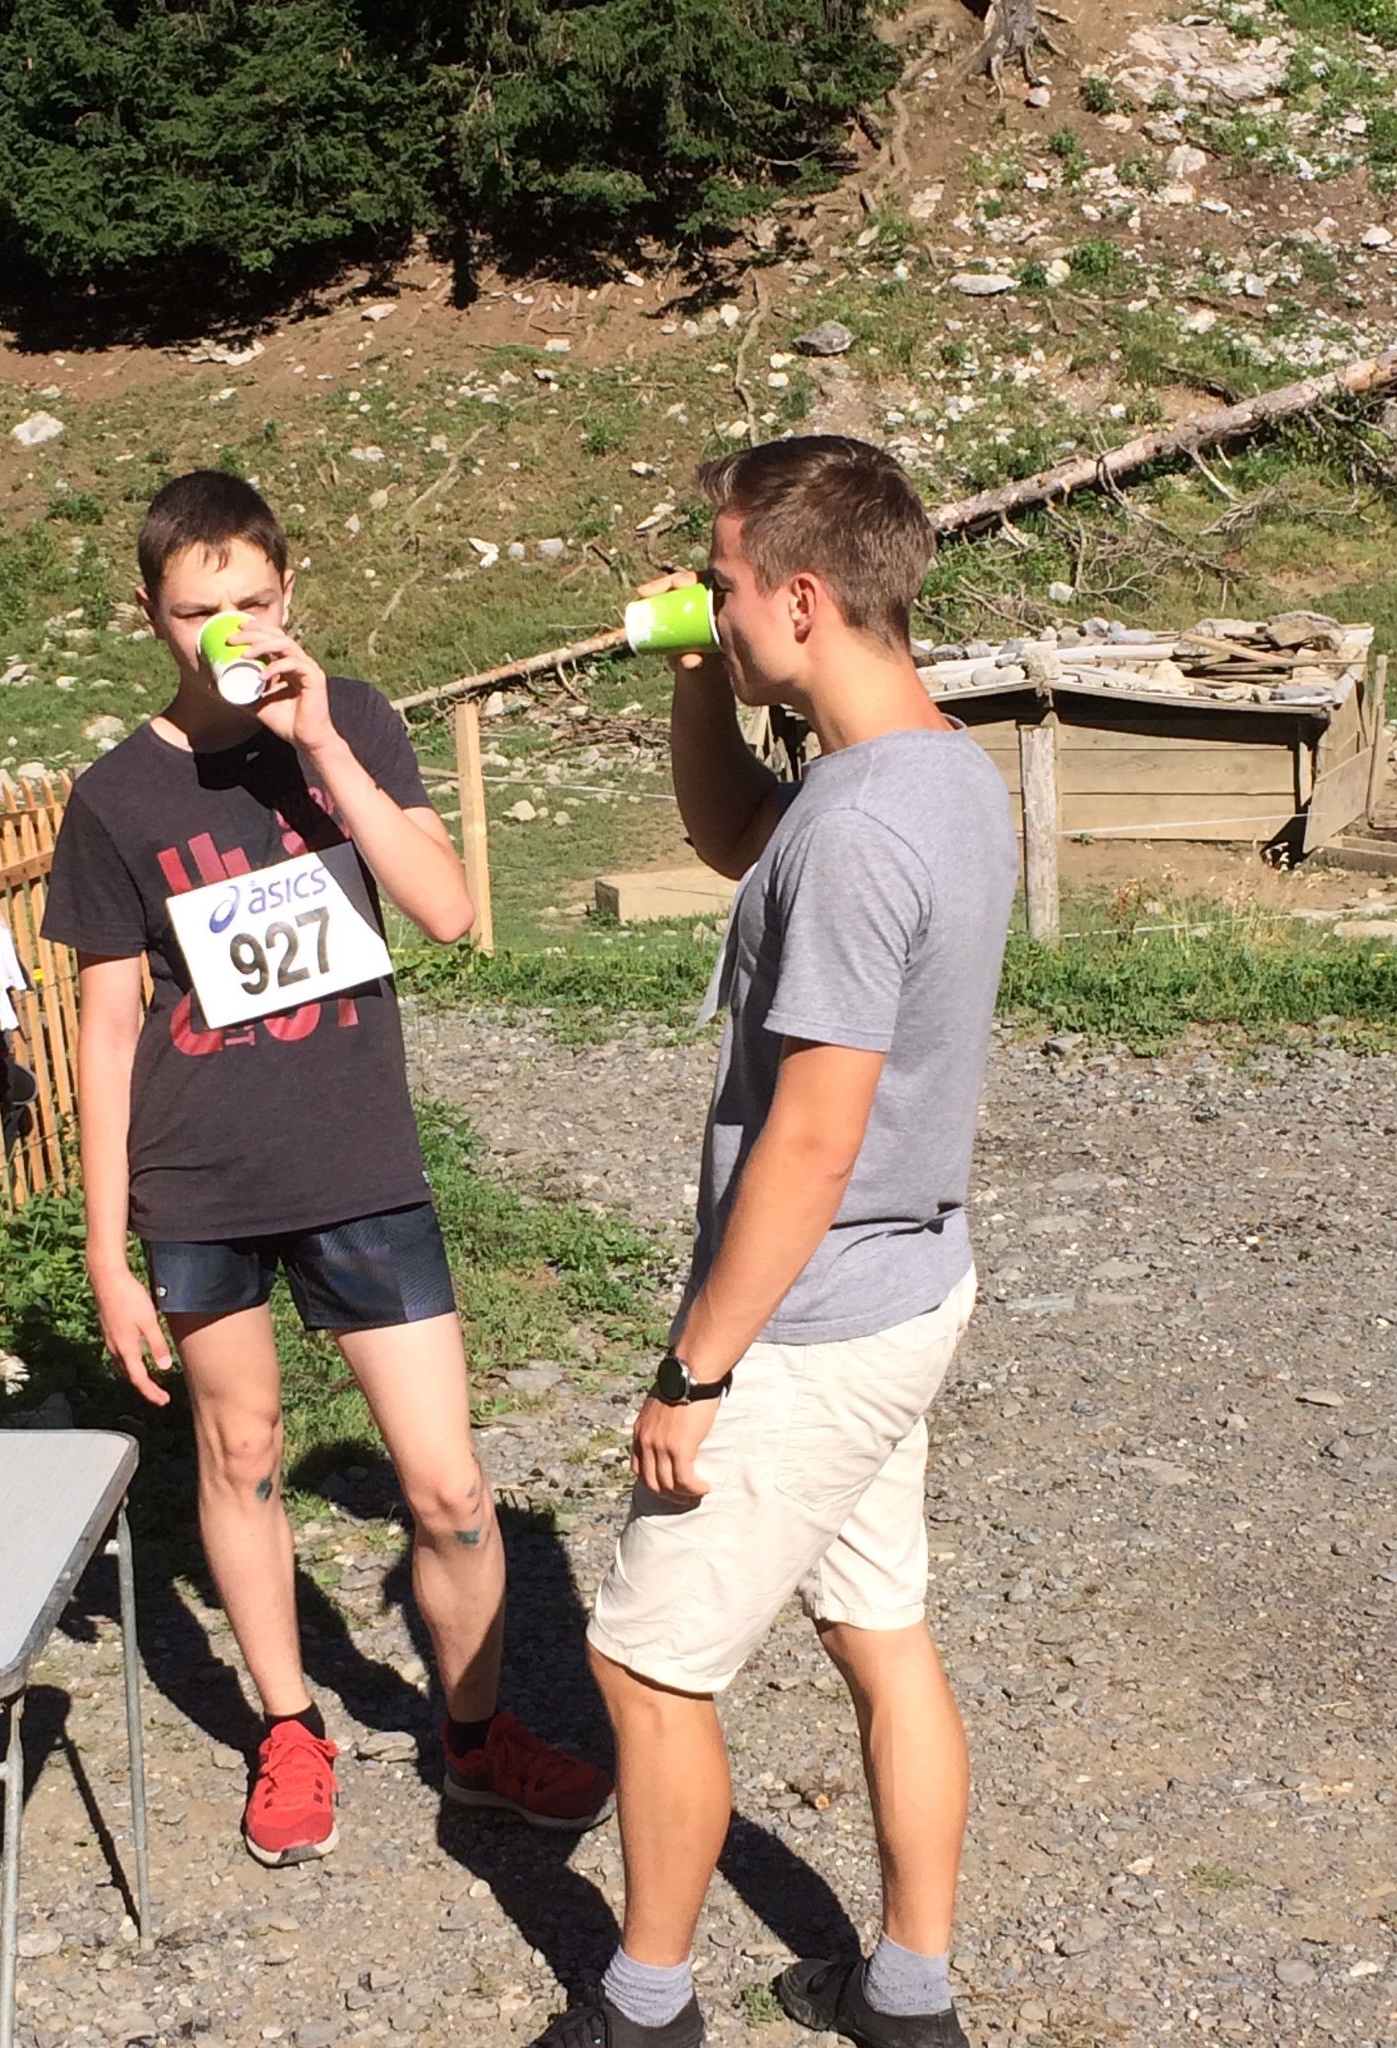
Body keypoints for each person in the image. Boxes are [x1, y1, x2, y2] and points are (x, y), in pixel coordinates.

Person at [43, 470, 612, 1868]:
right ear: (150, 614)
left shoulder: (353, 716)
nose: (227, 632)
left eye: (251, 602)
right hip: (200, 1179)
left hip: (360, 1166)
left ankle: (474, 1741)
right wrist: (107, 1251)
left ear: (289, 591)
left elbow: (449, 907)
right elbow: (106, 1027)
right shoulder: (114, 797)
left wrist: (322, 748)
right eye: (197, 612)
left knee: (451, 1489)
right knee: (239, 1456)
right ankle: (290, 1729)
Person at [536, 436, 1017, 2048]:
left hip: (809, 1320)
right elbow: (735, 834)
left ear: (801, 598)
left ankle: (647, 2008)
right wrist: (697, 671)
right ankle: (909, 1995)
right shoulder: (930, 770)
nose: (712, 603)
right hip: (907, 1284)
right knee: (879, 1632)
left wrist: (694, 1372)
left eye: (725, 585)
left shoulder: (864, 832)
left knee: (647, 1669)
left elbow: (812, 1138)